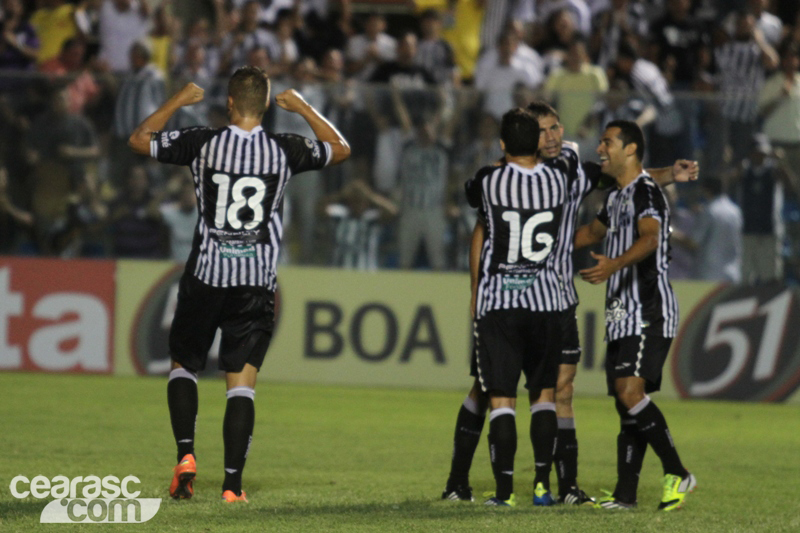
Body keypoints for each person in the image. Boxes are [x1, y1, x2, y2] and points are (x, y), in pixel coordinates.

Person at [441, 102, 698, 505]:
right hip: (520, 297)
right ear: (530, 138)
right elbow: (482, 231)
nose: (554, 136)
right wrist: (476, 288)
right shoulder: (522, 172)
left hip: (558, 302)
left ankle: (564, 487)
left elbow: (626, 179)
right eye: (544, 131)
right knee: (488, 388)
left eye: (557, 127)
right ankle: (458, 481)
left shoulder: (567, 164)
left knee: (561, 389)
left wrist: (666, 174)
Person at [128, 67, 350, 502]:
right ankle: (232, 486)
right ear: (266, 105)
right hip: (255, 283)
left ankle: (186, 456)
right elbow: (340, 149)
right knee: (241, 383)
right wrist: (303, 106)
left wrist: (178, 99)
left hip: (206, 275)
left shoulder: (203, 142)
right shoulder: (284, 150)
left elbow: (138, 139)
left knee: (183, 364)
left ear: (229, 103)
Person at [573, 120, 695, 511]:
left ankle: (678, 472)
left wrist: (613, 266)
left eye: (607, 142)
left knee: (630, 393)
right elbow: (591, 234)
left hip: (648, 306)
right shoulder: (617, 196)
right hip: (623, 310)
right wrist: (541, 239)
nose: (601, 149)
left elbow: (650, 238)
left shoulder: (645, 193)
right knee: (625, 404)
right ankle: (625, 495)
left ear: (630, 149)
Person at [463, 107, 575, 507]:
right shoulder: (559, 181)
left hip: (500, 304)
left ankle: (506, 492)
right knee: (543, 396)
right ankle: (542, 486)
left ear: (504, 144)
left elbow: (471, 194)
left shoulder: (491, 181)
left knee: (502, 401)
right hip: (545, 303)